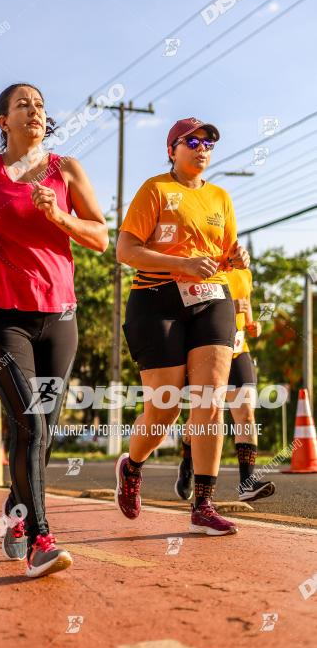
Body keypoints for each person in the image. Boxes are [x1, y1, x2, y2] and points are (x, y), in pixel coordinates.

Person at [0, 82, 108, 577]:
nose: (34, 110)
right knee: (29, 424)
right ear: (3, 121)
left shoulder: (67, 170)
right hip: (1, 316)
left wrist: (59, 216)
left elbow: (100, 236)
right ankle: (40, 540)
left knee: (44, 431)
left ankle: (16, 511)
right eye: (22, 104)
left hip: (60, 319)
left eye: (39, 104)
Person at [115, 117, 250, 536]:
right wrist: (182, 265)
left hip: (211, 298)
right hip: (157, 301)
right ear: (172, 149)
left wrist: (235, 258)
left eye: (209, 141)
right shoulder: (156, 190)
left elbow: (222, 251)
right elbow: (126, 250)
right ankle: (132, 465)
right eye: (191, 141)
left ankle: (204, 504)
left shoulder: (221, 197)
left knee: (209, 399)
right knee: (166, 406)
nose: (202, 147)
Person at [175, 266, 275, 503]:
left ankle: (247, 484)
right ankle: (188, 461)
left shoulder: (245, 272)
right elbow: (191, 304)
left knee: (246, 414)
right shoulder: (204, 265)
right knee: (203, 417)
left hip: (239, 349)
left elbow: (246, 311)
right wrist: (228, 304)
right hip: (208, 351)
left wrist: (252, 325)